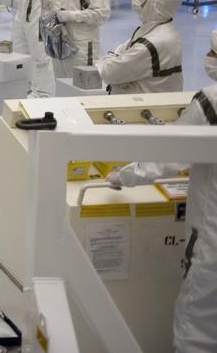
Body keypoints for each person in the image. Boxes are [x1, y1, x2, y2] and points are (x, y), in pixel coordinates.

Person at [107, 30, 217, 351]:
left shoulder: (211, 102)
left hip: (212, 242)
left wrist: (123, 176)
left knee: (196, 326)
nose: (208, 59)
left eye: (213, 53)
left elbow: (169, 154)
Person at [99, 0, 184, 95]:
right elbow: (122, 53)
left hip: (141, 107)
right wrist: (117, 58)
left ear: (155, 4)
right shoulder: (161, 29)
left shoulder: (151, 43)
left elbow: (109, 72)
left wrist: (107, 59)